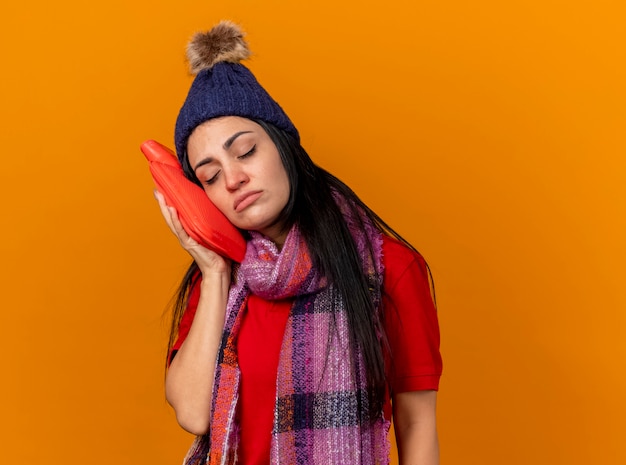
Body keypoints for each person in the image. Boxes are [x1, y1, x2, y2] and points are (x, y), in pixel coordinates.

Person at [154, 20, 442, 465]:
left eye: (246, 151)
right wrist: (213, 272)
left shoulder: (390, 268)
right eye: (210, 176)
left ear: (284, 147)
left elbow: (416, 422)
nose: (233, 179)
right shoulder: (218, 280)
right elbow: (193, 413)